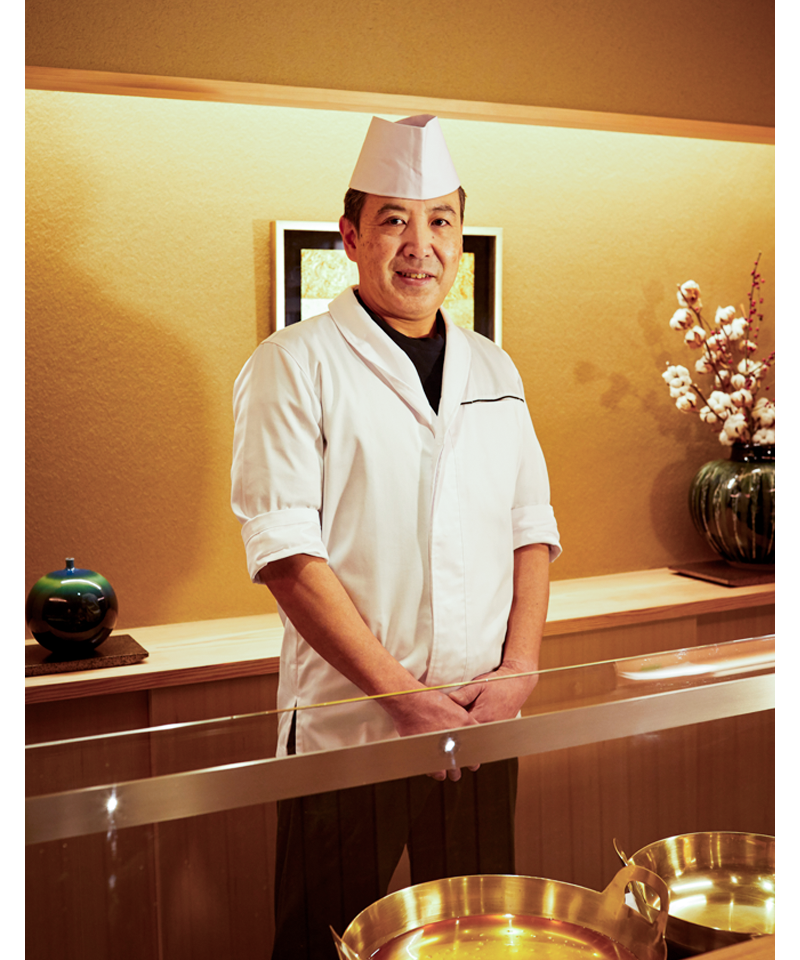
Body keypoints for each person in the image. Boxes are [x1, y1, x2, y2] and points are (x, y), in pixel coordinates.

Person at [231, 114, 561, 959]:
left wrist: (519, 672)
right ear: (350, 237)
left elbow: (530, 527)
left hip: (482, 719)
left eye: (440, 221)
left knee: (479, 942)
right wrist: (403, 699)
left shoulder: (496, 368)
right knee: (325, 941)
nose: (421, 246)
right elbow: (287, 556)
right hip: (354, 727)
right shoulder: (292, 364)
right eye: (394, 221)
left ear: (461, 237)